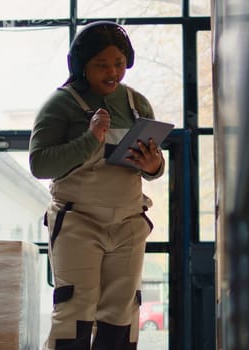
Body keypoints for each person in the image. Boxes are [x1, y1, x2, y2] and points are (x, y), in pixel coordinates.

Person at [29, 21, 166, 349]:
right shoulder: (61, 104)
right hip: (78, 222)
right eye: (101, 65)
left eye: (119, 63)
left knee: (121, 314)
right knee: (74, 312)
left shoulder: (137, 104)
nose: (112, 72)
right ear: (81, 65)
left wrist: (154, 166)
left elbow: (153, 165)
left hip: (128, 223)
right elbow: (40, 164)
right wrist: (90, 140)